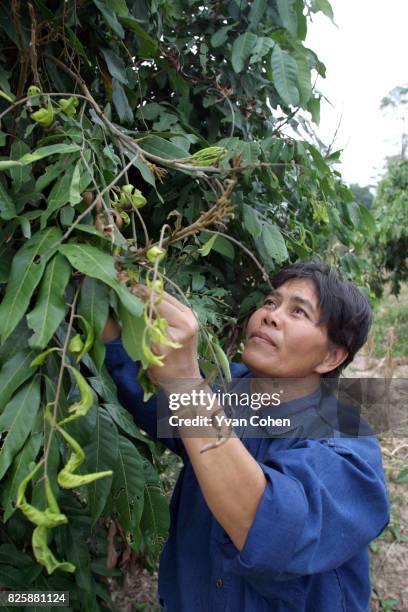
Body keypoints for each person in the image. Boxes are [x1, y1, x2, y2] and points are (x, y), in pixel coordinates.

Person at [102, 259, 390, 611]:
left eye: (298, 312)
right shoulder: (229, 391)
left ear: (331, 357)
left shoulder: (348, 446)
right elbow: (153, 404)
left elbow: (267, 526)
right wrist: (104, 280)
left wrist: (187, 385)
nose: (271, 315)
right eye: (270, 302)